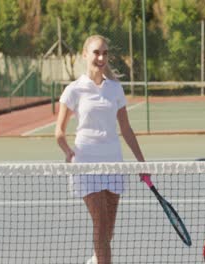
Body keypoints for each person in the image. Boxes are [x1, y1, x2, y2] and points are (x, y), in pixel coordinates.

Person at [55, 35, 147, 264]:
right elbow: (59, 132)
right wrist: (68, 151)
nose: (101, 57)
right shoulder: (74, 90)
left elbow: (126, 129)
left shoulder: (115, 89)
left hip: (113, 162)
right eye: (96, 52)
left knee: (108, 231)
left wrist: (142, 163)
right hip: (86, 163)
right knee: (101, 222)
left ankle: (95, 260)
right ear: (85, 54)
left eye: (105, 53)